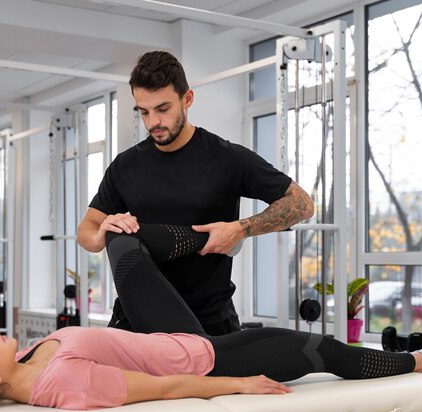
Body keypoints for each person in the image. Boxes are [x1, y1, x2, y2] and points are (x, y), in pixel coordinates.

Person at [0, 224, 422, 412]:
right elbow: (167, 388)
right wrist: (238, 383)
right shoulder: (65, 383)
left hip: (157, 334)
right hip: (199, 354)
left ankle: (222, 231)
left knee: (122, 240)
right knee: (323, 352)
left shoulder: (31, 360)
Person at [77, 51, 314, 335]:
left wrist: (241, 229)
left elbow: (301, 204)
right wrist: (103, 230)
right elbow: (86, 232)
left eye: (163, 109)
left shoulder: (227, 158)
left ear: (187, 99)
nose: (153, 122)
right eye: (144, 111)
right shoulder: (125, 166)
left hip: (208, 322)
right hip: (136, 321)